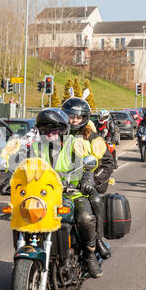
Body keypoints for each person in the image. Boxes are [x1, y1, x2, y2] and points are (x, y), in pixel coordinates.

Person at [28, 108, 104, 278]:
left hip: (72, 193)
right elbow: (26, 167)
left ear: (63, 130)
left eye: (55, 129)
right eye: (46, 130)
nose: (50, 133)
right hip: (44, 196)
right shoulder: (35, 147)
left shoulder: (74, 143)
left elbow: (87, 162)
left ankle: (90, 254)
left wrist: (87, 177)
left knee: (85, 218)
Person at [61, 98, 114, 262]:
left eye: (78, 117)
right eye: (71, 116)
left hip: (84, 187)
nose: (74, 120)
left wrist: (93, 182)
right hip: (59, 185)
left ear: (84, 117)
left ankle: (95, 245)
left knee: (93, 206)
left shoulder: (92, 137)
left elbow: (107, 163)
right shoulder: (58, 134)